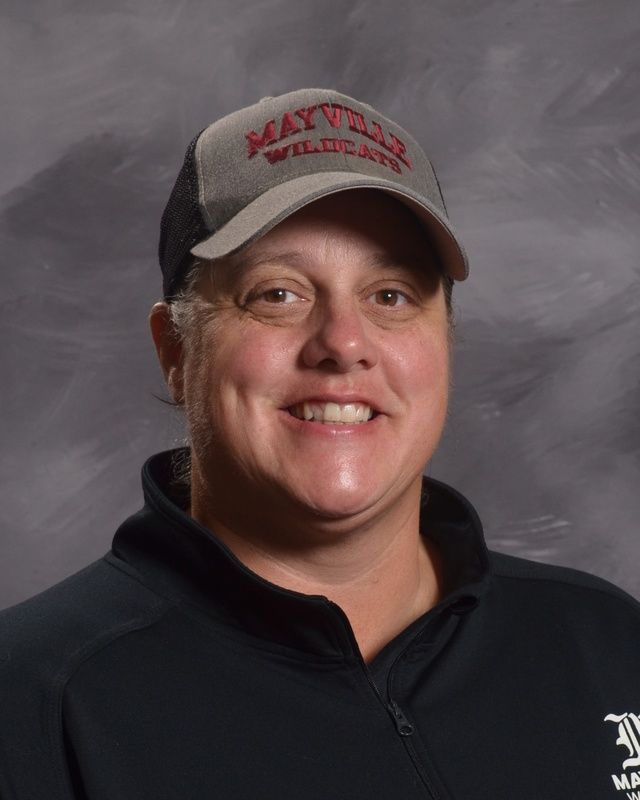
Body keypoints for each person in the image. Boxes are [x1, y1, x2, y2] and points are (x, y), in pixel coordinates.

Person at [0, 88, 639, 800]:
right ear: (176, 350)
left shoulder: (606, 645)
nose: (343, 343)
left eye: (391, 295)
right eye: (277, 294)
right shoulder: (33, 701)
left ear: (445, 342)